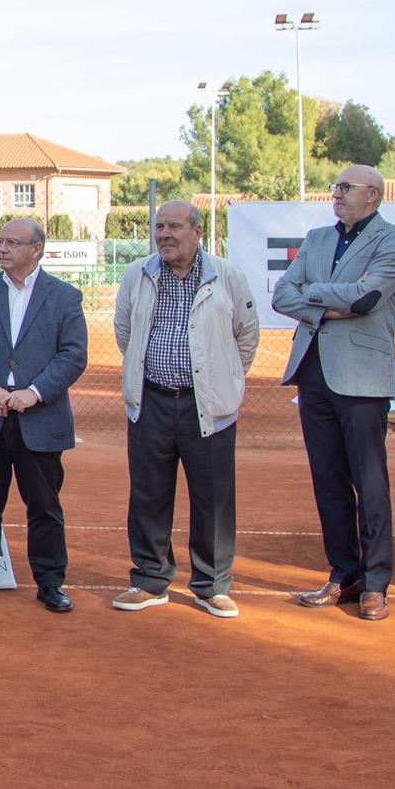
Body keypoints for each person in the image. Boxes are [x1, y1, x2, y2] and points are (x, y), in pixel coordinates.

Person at [274, 164, 395, 621]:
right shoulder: (317, 238)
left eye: (345, 187)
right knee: (328, 480)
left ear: (372, 195)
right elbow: (280, 295)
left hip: (362, 378)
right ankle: (344, 575)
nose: (335, 193)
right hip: (313, 374)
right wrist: (326, 307)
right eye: (336, 187)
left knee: (369, 481)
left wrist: (312, 297)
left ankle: (376, 584)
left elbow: (365, 300)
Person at [110, 201, 261, 618]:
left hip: (206, 407)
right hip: (151, 401)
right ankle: (150, 579)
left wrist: (222, 380)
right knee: (148, 493)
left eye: (174, 226)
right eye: (159, 227)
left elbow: (245, 336)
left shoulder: (227, 276)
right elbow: (125, 331)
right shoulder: (137, 274)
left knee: (213, 496)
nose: (164, 235)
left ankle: (211, 585)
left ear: (197, 232)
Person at [0, 217, 87, 612]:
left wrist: (35, 392)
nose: (3, 249)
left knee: (45, 505)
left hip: (39, 419)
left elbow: (73, 354)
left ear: (36, 249)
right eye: (1, 241)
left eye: (13, 243)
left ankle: (50, 583)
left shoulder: (65, 297)